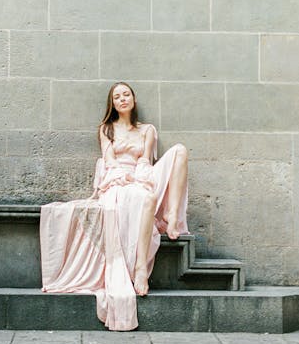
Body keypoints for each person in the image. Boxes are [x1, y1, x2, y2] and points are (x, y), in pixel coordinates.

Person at [40, 82, 189, 331]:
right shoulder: (107, 129)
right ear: (112, 103)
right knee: (148, 200)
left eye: (126, 94)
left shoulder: (147, 130)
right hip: (117, 184)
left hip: (141, 177)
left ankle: (172, 217)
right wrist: (125, 177)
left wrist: (139, 178)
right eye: (117, 96)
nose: (122, 99)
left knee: (180, 151)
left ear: (133, 99)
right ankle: (141, 268)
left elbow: (145, 161)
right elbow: (109, 163)